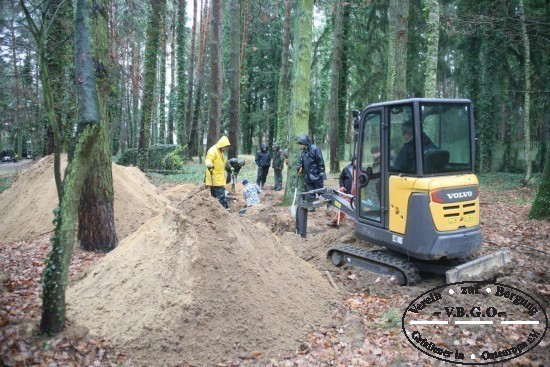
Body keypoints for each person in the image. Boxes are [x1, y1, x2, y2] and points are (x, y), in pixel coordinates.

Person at [327, 157, 356, 227]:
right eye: (356, 160)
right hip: (348, 193)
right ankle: (335, 221)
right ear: (353, 160)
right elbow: (341, 178)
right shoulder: (347, 169)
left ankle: (358, 224)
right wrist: (342, 186)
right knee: (343, 207)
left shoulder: (362, 169)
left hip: (360, 193)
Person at [205, 136, 231, 211]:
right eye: (225, 147)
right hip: (214, 176)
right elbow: (208, 160)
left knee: (214, 195)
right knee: (221, 195)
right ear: (221, 145)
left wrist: (229, 167)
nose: (225, 149)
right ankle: (223, 211)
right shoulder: (212, 150)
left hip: (219, 177)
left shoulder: (221, 152)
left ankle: (216, 211)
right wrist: (209, 165)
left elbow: (224, 163)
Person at [296, 135, 326, 201]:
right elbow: (302, 161)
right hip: (308, 175)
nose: (300, 146)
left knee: (320, 191)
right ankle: (312, 206)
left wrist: (321, 171)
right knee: (310, 192)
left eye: (301, 144)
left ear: (305, 143)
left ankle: (328, 204)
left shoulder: (315, 148)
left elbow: (320, 160)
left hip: (316, 174)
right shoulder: (303, 151)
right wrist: (299, 166)